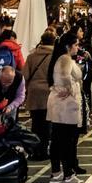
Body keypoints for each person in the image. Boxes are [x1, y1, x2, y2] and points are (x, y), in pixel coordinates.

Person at [46, 32, 86, 183]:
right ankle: (68, 175)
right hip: (66, 107)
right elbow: (64, 76)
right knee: (66, 141)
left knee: (57, 140)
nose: (78, 47)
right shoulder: (65, 59)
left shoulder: (60, 58)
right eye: (76, 45)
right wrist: (69, 89)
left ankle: (57, 172)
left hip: (59, 105)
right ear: (68, 46)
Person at [24, 32, 55, 160]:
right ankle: (44, 150)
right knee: (47, 123)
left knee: (36, 123)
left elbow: (25, 75)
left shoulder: (32, 56)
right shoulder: (55, 57)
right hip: (49, 92)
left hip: (34, 93)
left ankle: (35, 150)